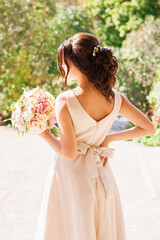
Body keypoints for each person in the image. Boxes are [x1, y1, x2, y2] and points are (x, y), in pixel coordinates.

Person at [35, 32, 156, 240]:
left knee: (72, 227)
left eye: (65, 62)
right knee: (100, 223)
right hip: (101, 172)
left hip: (71, 176)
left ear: (77, 63)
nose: (62, 67)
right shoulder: (116, 98)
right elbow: (148, 128)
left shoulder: (65, 100)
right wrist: (108, 138)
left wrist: (43, 133)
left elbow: (69, 152)